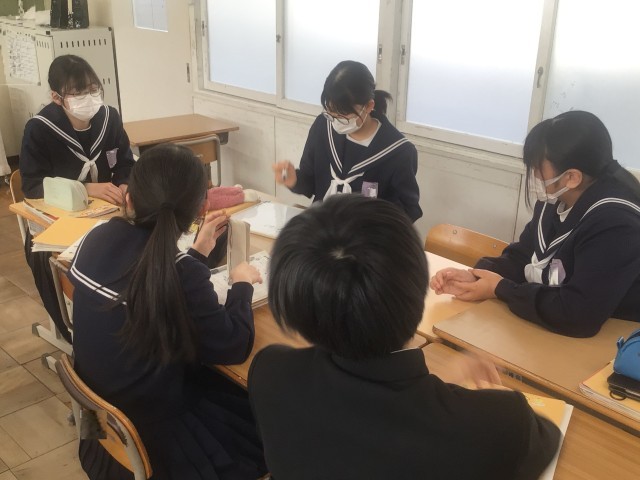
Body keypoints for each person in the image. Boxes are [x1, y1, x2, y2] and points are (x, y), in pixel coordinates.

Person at [248, 194, 560, 479]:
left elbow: (365, 423)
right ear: (417, 287)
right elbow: (544, 440)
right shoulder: (501, 422)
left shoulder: (271, 371)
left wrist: (438, 384)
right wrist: (444, 391)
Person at [69, 144, 267, 479]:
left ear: (129, 198)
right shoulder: (182, 273)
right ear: (200, 209)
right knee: (266, 416)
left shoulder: (96, 238)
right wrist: (241, 284)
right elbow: (233, 345)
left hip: (101, 432)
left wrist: (197, 254)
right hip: (159, 447)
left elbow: (153, 279)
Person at [431, 111, 640, 337]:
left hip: (611, 338)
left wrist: (501, 288)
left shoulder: (616, 224)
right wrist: (478, 275)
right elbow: (523, 255)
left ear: (572, 177)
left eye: (539, 168)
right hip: (552, 326)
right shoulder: (558, 197)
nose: (535, 175)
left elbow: (578, 313)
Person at [19, 54, 134, 342]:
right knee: (46, 257)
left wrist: (124, 184)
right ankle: (75, 336)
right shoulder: (40, 128)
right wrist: (86, 189)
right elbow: (32, 185)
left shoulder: (109, 118)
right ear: (56, 97)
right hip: (59, 220)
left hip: (107, 214)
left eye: (94, 89)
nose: (89, 98)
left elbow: (125, 162)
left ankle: (127, 325)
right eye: (79, 92)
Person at [273, 60, 422, 222]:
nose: (336, 120)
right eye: (331, 111)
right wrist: (294, 180)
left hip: (366, 234)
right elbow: (310, 182)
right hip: (319, 228)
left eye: (344, 114)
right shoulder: (323, 127)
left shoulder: (398, 152)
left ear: (369, 106)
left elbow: (408, 210)